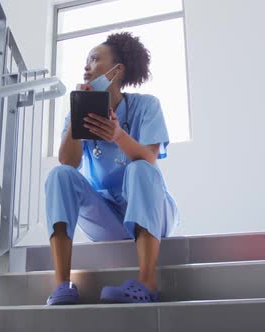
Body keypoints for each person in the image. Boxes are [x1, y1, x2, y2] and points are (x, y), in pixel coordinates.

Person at [44, 32, 179, 305]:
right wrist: (77, 119)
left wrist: (118, 135)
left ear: (118, 70)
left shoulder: (146, 105)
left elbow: (149, 158)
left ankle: (147, 283)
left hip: (152, 213)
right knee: (59, 175)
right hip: (108, 218)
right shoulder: (76, 114)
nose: (87, 66)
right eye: (86, 61)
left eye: (94, 59)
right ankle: (62, 285)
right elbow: (67, 162)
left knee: (140, 169)